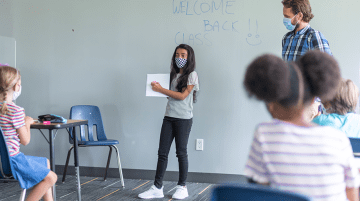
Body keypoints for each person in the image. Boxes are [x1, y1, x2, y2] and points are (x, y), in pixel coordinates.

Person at [243, 51, 359, 201]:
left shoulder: (264, 135)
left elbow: (260, 192)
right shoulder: (339, 140)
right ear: (314, 101)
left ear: (271, 103)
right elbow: (352, 193)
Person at [138, 44, 199, 200]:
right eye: (177, 55)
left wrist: (160, 90)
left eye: (183, 55)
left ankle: (182, 187)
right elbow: (171, 95)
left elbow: (182, 96)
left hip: (184, 119)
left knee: (181, 153)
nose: (180, 58)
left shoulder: (192, 75)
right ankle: (157, 187)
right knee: (162, 153)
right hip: (169, 117)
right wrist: (157, 89)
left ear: (189, 57)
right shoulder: (172, 75)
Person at [0, 65, 57, 201]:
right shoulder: (16, 111)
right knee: (52, 177)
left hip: (2, 161)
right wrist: (27, 122)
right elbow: (25, 141)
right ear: (16, 87)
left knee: (45, 163)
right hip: (13, 161)